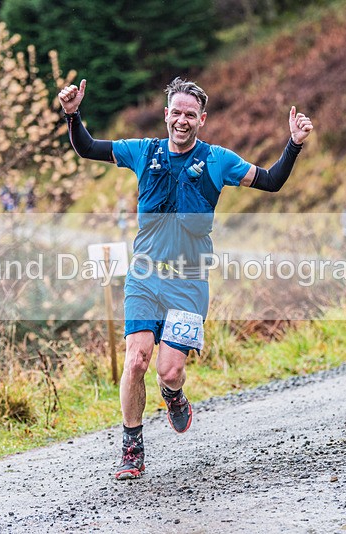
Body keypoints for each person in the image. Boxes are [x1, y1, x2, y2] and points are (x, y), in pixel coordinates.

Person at [58, 77, 313, 480]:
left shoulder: (219, 160)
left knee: (169, 370)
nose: (182, 120)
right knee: (137, 358)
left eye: (190, 114)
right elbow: (88, 147)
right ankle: (131, 445)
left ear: (202, 119)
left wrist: (294, 143)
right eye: (175, 112)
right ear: (165, 115)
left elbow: (272, 180)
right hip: (143, 277)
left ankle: (174, 395)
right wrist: (72, 114)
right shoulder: (143, 151)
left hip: (189, 283)